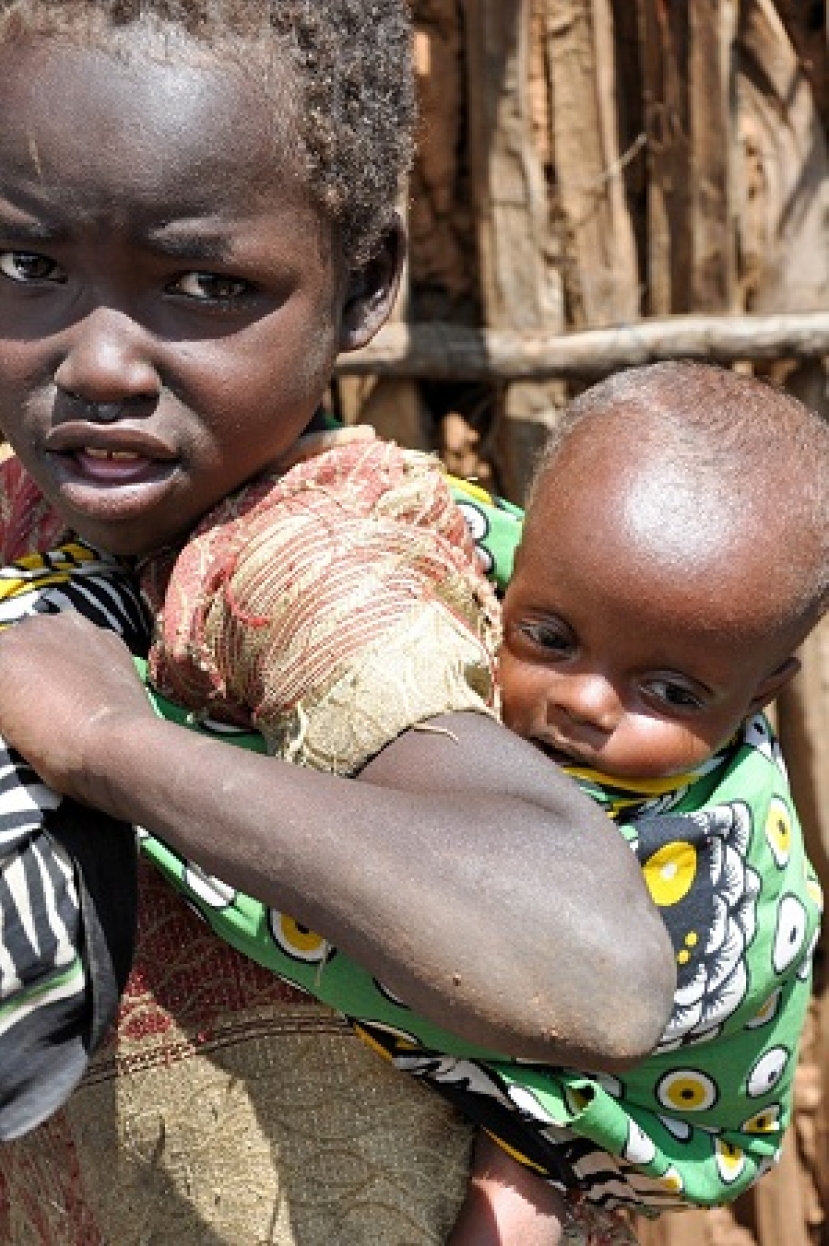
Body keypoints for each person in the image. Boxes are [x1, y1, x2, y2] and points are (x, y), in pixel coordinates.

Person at [0, 3, 674, 1242]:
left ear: (363, 284)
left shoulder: (316, 563)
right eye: (29, 266)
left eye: (206, 285)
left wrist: (107, 739)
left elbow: (595, 965)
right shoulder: (35, 514)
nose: (97, 362)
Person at [431, 363, 826, 1243]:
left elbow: (395, 943)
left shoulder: (700, 852)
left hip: (652, 1115)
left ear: (761, 694)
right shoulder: (555, 563)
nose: (585, 703)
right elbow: (439, 513)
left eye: (670, 693)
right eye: (549, 638)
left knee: (510, 1199)